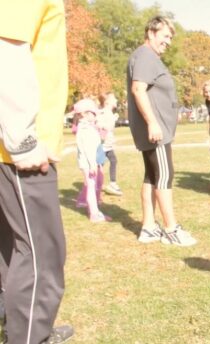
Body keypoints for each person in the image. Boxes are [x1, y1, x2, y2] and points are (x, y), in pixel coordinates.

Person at [0, 0, 74, 342]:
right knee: (42, 255)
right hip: (17, 151)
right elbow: (7, 47)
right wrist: (22, 139)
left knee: (11, 248)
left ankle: (22, 329)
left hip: (9, 148)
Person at [127, 16, 196, 246]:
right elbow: (138, 89)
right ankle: (171, 229)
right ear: (151, 33)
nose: (168, 42)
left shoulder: (146, 56)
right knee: (165, 176)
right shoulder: (146, 55)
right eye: (165, 36)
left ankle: (148, 227)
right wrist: (153, 123)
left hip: (156, 130)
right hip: (156, 132)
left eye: (170, 37)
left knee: (152, 176)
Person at [73, 98, 111, 222]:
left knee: (91, 186)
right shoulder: (86, 129)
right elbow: (89, 149)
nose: (95, 116)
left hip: (89, 162)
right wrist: (93, 164)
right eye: (93, 113)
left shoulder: (87, 127)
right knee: (91, 186)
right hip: (89, 163)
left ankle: (93, 211)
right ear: (85, 114)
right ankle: (94, 214)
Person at [97, 92, 123, 196]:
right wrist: (106, 126)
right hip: (103, 144)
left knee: (113, 160)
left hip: (108, 145)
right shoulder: (103, 112)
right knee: (99, 164)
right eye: (114, 98)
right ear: (107, 102)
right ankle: (96, 184)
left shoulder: (109, 113)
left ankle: (112, 183)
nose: (116, 100)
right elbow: (98, 123)